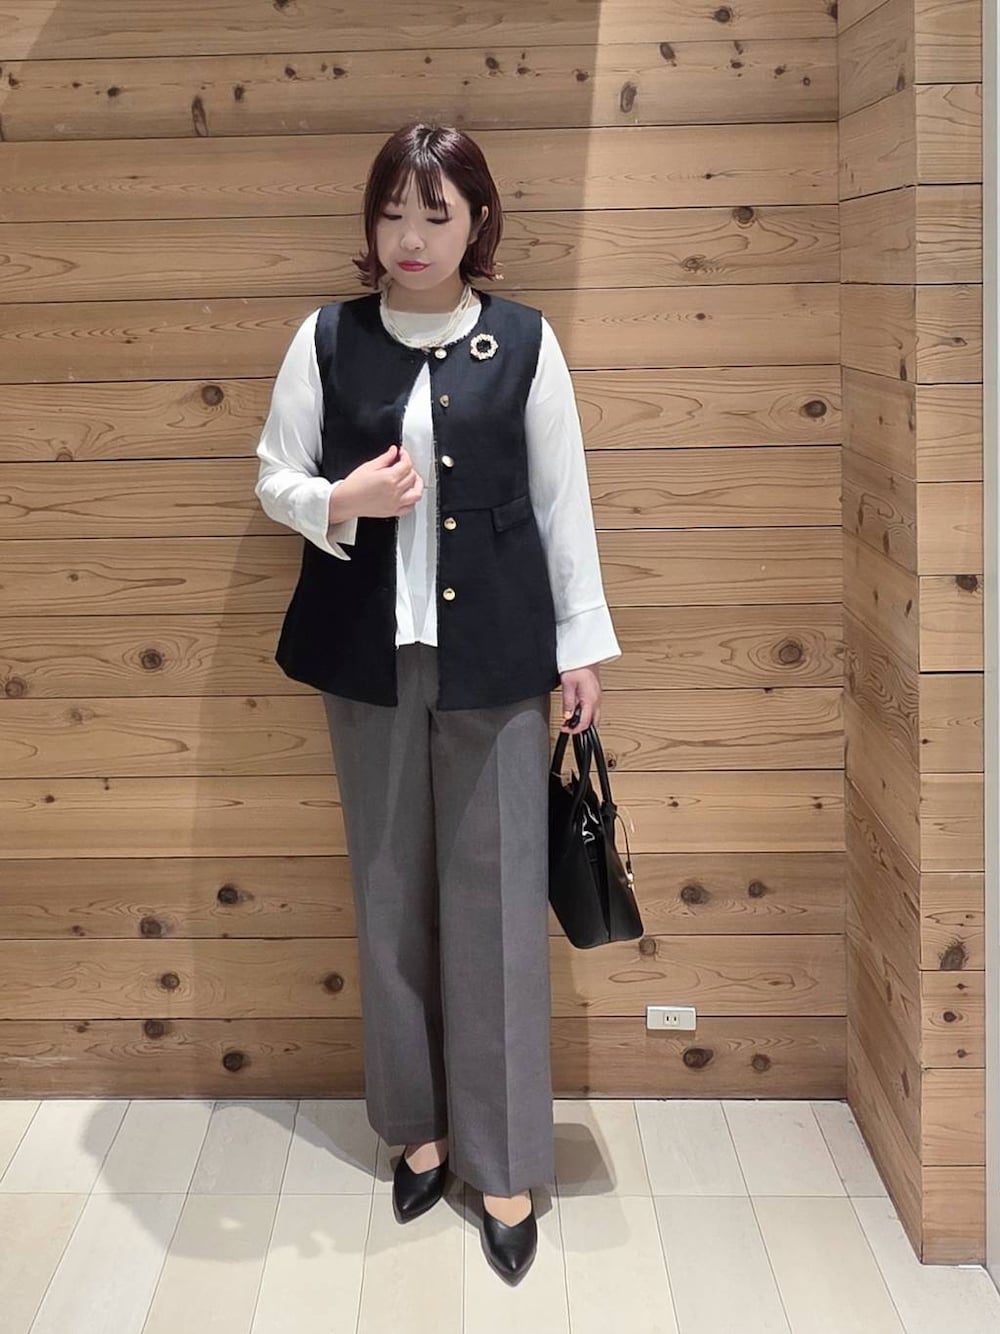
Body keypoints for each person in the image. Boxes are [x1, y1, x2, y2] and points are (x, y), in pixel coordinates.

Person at [253, 121, 620, 1283]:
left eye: (435, 214)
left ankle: (503, 1159)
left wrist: (581, 649)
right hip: (367, 659)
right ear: (370, 224)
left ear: (477, 223)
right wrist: (340, 498)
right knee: (388, 893)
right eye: (393, 213)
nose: (411, 237)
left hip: (498, 660)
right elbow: (273, 476)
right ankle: (418, 1128)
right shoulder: (327, 338)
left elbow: (563, 502)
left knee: (499, 906)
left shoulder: (526, 343)